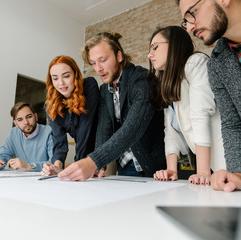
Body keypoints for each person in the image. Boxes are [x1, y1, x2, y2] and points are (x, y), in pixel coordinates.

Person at [176, 0, 241, 191]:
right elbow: (233, 124)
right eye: (186, 21)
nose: (189, 28)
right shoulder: (216, 65)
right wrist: (238, 172)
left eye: (193, 13)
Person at [57, 32, 166, 181]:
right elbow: (104, 129)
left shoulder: (142, 80)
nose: (98, 68)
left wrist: (93, 161)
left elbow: (132, 127)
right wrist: (99, 166)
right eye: (93, 62)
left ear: (119, 56)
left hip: (152, 167)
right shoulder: (105, 90)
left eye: (102, 60)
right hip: (125, 166)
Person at [148, 26, 225, 185]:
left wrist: (202, 172)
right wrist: (171, 170)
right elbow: (170, 130)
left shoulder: (195, 63)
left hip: (227, 158)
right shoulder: (169, 83)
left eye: (155, 47)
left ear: (174, 44)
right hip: (211, 166)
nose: (150, 54)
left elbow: (200, 114)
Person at [41, 55, 102, 177]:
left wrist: (80, 163)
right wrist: (57, 166)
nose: (61, 83)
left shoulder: (89, 86)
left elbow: (85, 129)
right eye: (55, 78)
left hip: (102, 154)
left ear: (75, 75)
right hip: (83, 159)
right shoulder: (51, 107)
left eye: (66, 76)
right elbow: (59, 142)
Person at [0, 101, 53, 171]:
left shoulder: (50, 132)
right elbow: (3, 155)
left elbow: (54, 164)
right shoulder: (13, 133)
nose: (26, 122)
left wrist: (28, 166)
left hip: (45, 179)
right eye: (20, 120)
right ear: (16, 123)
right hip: (21, 179)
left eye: (29, 117)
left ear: (36, 117)